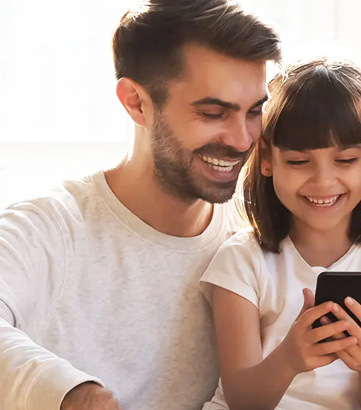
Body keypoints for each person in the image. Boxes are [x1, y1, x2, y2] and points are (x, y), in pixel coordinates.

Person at [0, 1, 280, 409]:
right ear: (136, 102)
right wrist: (72, 394)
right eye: (213, 112)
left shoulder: (256, 237)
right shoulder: (48, 231)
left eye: (254, 111)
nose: (242, 140)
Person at [199, 58, 361, 410]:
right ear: (266, 158)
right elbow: (242, 400)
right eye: (298, 162)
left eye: (344, 161)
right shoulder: (240, 259)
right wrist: (290, 358)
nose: (323, 181)